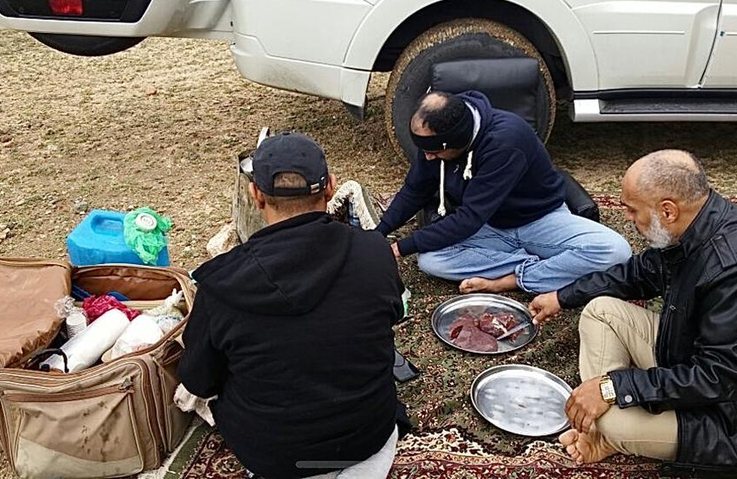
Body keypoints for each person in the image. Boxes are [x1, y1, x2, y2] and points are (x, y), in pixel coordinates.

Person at [178, 132, 406, 479]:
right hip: (369, 442)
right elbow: (394, 316)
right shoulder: (375, 251)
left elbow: (199, 381)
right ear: (330, 186)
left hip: (275, 459)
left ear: (255, 194)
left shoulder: (221, 284)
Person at [528, 149, 737, 475]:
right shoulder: (694, 226)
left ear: (667, 210)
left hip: (722, 416)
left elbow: (717, 379)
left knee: (613, 419)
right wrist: (562, 296)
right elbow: (638, 274)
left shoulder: (728, 269)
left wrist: (614, 388)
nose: (627, 217)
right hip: (688, 357)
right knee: (600, 311)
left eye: (632, 210)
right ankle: (604, 424)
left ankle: (608, 432)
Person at [375, 90, 631, 294]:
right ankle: (539, 263)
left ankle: (511, 279)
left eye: (434, 152)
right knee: (431, 260)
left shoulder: (506, 140)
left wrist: (398, 248)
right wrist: (378, 234)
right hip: (490, 225)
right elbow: (414, 190)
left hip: (539, 219)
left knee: (616, 251)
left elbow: (469, 218)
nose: (427, 158)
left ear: (459, 139)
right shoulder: (436, 138)